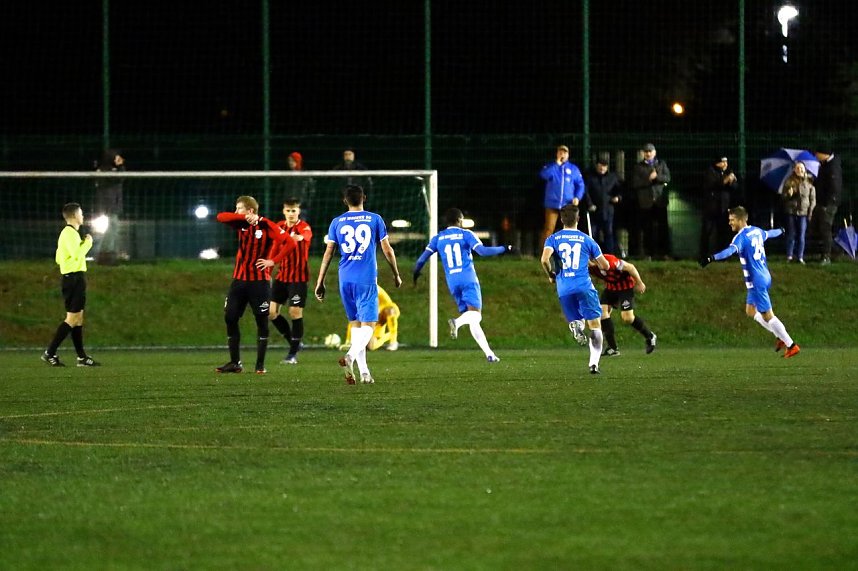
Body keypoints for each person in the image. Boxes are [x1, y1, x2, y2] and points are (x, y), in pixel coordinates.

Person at [315, 184, 402, 384]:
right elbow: (388, 250)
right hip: (366, 278)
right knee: (369, 326)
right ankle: (350, 356)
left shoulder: (336, 222)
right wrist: (396, 274)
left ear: (345, 201)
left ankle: (364, 373)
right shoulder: (375, 219)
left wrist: (320, 281)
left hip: (344, 278)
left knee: (356, 326)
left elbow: (328, 253)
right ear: (364, 197)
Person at [413, 207, 514, 363]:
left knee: (472, 318)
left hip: (452, 282)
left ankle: (489, 354)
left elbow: (421, 259)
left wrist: (416, 273)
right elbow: (483, 251)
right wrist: (505, 248)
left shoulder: (438, 238)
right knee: (476, 314)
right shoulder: (466, 234)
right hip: (468, 279)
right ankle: (457, 322)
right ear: (460, 221)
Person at [700, 206, 800, 358]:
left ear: (741, 220)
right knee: (750, 311)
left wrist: (711, 258)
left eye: (732, 220)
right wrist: (781, 230)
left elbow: (729, 251)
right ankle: (779, 336)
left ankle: (791, 345)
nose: (730, 223)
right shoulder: (756, 231)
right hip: (764, 275)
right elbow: (770, 233)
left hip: (757, 280)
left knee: (768, 316)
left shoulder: (741, 238)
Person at [215, 195, 294, 374]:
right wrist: (244, 218)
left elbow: (289, 243)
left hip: (259, 282)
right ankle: (235, 363)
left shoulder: (266, 225)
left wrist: (273, 261)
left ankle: (260, 365)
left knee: (262, 320)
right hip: (239, 281)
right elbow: (221, 217)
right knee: (230, 317)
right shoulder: (240, 223)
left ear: (250, 210)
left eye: (239, 209)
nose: (236, 212)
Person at [540, 204, 610, 375]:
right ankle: (593, 364)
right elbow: (605, 266)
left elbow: (544, 260)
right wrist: (593, 260)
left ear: (562, 220)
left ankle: (577, 325)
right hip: (584, 286)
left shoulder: (553, 239)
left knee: (578, 319)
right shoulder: (587, 240)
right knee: (595, 326)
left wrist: (551, 275)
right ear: (578, 219)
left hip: (564, 289)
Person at [41, 203, 100, 367]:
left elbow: (59, 258)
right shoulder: (70, 234)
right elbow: (77, 254)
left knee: (78, 318)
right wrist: (88, 242)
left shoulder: (66, 234)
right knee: (72, 318)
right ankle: (50, 352)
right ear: (74, 216)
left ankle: (81, 357)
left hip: (70, 278)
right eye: (81, 213)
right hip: (74, 279)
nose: (83, 216)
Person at [268, 197, 313, 365]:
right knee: (271, 312)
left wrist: (299, 238)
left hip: (298, 279)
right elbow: (273, 249)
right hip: (282, 277)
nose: (291, 213)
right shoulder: (279, 227)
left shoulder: (304, 227)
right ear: (283, 211)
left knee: (295, 312)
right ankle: (294, 342)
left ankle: (292, 354)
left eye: (294, 210)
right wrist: (268, 270)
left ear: (298, 211)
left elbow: (306, 236)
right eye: (288, 210)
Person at [588, 254, 656, 356]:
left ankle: (650, 336)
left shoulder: (610, 261)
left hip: (625, 288)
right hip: (611, 288)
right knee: (602, 313)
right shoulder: (587, 266)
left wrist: (639, 282)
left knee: (627, 318)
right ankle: (613, 348)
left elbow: (630, 267)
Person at [629, 143, 671, 259]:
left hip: (659, 202)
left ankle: (663, 253)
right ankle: (649, 253)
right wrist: (649, 179)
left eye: (650, 151)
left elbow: (667, 178)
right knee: (647, 229)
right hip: (645, 203)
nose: (648, 153)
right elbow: (635, 183)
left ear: (654, 153)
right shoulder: (638, 167)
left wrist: (657, 177)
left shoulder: (661, 164)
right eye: (646, 151)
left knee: (662, 228)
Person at [539, 144, 585, 247]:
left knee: (569, 230)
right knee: (549, 228)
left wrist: (577, 197)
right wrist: (556, 164)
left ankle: (568, 251)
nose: (562, 154)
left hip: (567, 204)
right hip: (552, 204)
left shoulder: (573, 169)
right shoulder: (551, 166)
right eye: (560, 152)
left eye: (564, 152)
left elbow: (580, 184)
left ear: (568, 154)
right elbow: (544, 175)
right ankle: (544, 252)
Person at [340, 284, 400, 351]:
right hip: (374, 318)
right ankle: (388, 336)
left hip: (384, 312)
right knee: (371, 346)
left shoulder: (372, 287)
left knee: (389, 310)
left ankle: (393, 341)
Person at [700, 156, 738, 256]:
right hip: (711, 207)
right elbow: (713, 185)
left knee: (723, 232)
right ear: (717, 163)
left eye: (726, 162)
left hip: (723, 208)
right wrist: (725, 180)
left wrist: (732, 181)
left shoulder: (728, 172)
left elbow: (735, 187)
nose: (725, 164)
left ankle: (722, 255)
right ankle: (704, 254)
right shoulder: (710, 172)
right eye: (723, 162)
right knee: (708, 232)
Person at [583, 157, 622, 255]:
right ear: (597, 166)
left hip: (608, 210)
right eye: (600, 166)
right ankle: (594, 255)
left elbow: (619, 190)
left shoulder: (613, 177)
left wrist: (618, 197)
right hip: (594, 211)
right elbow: (586, 192)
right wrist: (590, 204)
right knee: (593, 234)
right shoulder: (590, 178)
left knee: (608, 233)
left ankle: (610, 256)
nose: (602, 169)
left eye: (604, 166)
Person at [93, 149, 125, 265]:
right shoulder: (104, 171)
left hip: (112, 206)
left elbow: (120, 178)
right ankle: (105, 256)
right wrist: (120, 166)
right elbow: (117, 178)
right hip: (107, 207)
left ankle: (107, 256)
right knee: (109, 231)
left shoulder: (111, 171)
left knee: (112, 230)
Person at [811, 145, 842, 265]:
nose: (816, 156)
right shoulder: (825, 165)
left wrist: (828, 203)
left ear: (824, 154)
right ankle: (835, 250)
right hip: (821, 202)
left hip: (828, 203)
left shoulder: (833, 167)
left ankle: (826, 256)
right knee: (817, 228)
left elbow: (834, 186)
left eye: (817, 153)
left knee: (825, 229)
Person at [781, 161, 816, 264]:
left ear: (804, 169)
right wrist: (788, 194)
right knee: (791, 234)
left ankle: (800, 257)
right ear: (794, 170)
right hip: (791, 211)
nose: (799, 170)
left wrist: (810, 211)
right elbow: (783, 197)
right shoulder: (788, 181)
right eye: (797, 168)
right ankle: (789, 256)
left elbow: (812, 199)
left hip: (804, 212)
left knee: (801, 235)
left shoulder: (809, 181)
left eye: (801, 168)